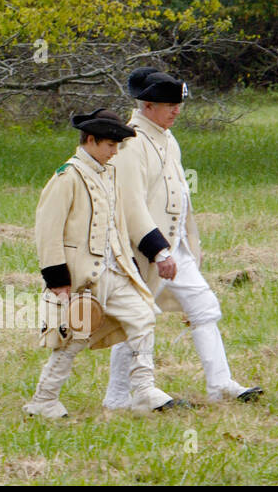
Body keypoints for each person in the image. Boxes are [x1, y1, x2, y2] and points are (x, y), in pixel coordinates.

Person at [105, 68, 263, 407]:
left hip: (176, 248)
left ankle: (221, 385)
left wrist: (186, 246)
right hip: (142, 250)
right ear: (147, 105)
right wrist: (158, 252)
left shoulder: (166, 137)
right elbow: (131, 205)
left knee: (205, 308)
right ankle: (118, 397)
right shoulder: (130, 142)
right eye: (169, 104)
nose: (177, 111)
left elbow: (180, 195)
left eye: (179, 104)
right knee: (136, 319)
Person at [24, 108, 185, 418]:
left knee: (143, 317)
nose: (114, 152)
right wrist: (57, 279)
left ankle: (143, 390)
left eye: (117, 145)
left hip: (117, 271)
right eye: (110, 145)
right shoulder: (66, 176)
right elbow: (48, 230)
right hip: (84, 277)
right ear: (91, 140)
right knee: (72, 341)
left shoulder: (110, 173)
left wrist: (147, 256)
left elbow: (126, 220)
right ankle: (43, 400)